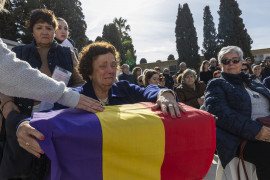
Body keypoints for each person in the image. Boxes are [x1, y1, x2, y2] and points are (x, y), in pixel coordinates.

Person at [13, 42, 185, 179]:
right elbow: (45, 119)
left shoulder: (124, 88)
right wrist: (23, 124)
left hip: (126, 168)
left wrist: (165, 93)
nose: (111, 70)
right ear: (89, 72)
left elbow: (148, 91)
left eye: (113, 65)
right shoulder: (73, 97)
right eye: (103, 66)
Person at [0, 0, 103, 113]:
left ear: (55, 31)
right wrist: (7, 103)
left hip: (59, 111)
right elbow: (5, 80)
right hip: (25, 112)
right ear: (32, 31)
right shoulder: (18, 52)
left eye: (49, 28)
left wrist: (69, 98)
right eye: (39, 28)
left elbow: (79, 81)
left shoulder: (67, 53)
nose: (44, 32)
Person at [204, 46, 270, 179]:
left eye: (235, 60)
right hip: (239, 138)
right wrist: (256, 130)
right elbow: (221, 114)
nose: (231, 64)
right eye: (225, 61)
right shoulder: (217, 84)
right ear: (220, 65)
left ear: (242, 62)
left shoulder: (254, 83)